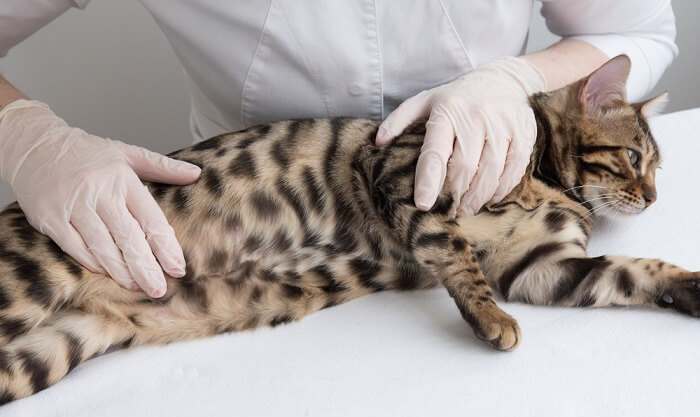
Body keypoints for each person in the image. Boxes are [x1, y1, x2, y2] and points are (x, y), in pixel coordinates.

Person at [0, 1, 677, 298]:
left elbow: (639, 26)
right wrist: (26, 136)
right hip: (244, 243)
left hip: (491, 216)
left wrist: (517, 79)